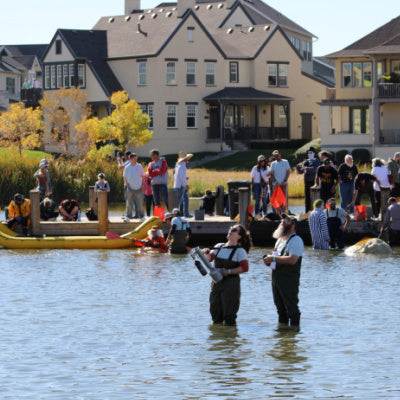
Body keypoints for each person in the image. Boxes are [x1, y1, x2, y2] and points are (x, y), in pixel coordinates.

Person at [203, 224, 251, 326]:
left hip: (231, 285)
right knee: (215, 313)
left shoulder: (240, 251)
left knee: (229, 317)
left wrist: (227, 271)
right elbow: (209, 259)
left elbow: (245, 268)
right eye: (230, 228)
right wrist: (204, 253)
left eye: (234, 230)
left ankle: (230, 339)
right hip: (216, 284)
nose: (230, 230)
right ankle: (217, 338)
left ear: (239, 236)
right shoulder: (218, 246)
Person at [263, 214, 304, 328]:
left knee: (292, 308)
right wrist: (269, 262)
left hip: (289, 281)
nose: (283, 221)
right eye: (283, 220)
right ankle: (282, 336)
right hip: (276, 281)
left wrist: (273, 258)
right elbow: (275, 260)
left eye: (286, 220)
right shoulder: (279, 240)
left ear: (293, 225)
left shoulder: (296, 240)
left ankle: (294, 334)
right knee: (280, 309)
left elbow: (292, 260)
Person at [296, 146, 320, 212]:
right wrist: (299, 166)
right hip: (306, 181)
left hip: (313, 181)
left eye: (311, 153)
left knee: (314, 197)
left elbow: (315, 169)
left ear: (314, 153)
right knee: (307, 198)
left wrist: (306, 168)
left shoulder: (316, 161)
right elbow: (300, 171)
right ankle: (307, 211)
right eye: (308, 153)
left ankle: (314, 211)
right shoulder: (306, 161)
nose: (309, 154)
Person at [123, 153, 145, 221]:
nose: (136, 159)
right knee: (129, 203)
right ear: (131, 159)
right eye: (134, 158)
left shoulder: (139, 166)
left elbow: (143, 176)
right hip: (130, 188)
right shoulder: (127, 167)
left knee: (140, 203)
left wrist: (142, 185)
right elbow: (125, 177)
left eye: (136, 158)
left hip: (139, 188)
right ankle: (128, 216)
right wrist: (127, 185)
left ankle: (141, 216)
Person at [270, 150, 290, 214]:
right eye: (275, 156)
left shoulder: (285, 162)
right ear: (274, 157)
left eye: (277, 155)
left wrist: (285, 180)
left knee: (284, 200)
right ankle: (278, 214)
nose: (276, 157)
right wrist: (275, 182)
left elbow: (288, 171)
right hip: (276, 184)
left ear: (280, 155)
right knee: (276, 200)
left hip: (284, 184)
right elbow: (271, 174)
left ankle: (284, 213)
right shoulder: (273, 164)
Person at [174, 151, 193, 218]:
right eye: (187, 158)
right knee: (179, 200)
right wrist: (186, 185)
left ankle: (185, 213)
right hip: (181, 185)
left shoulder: (178, 165)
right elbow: (182, 177)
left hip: (178, 184)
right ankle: (176, 215)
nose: (188, 159)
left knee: (184, 199)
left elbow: (179, 176)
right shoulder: (182, 165)